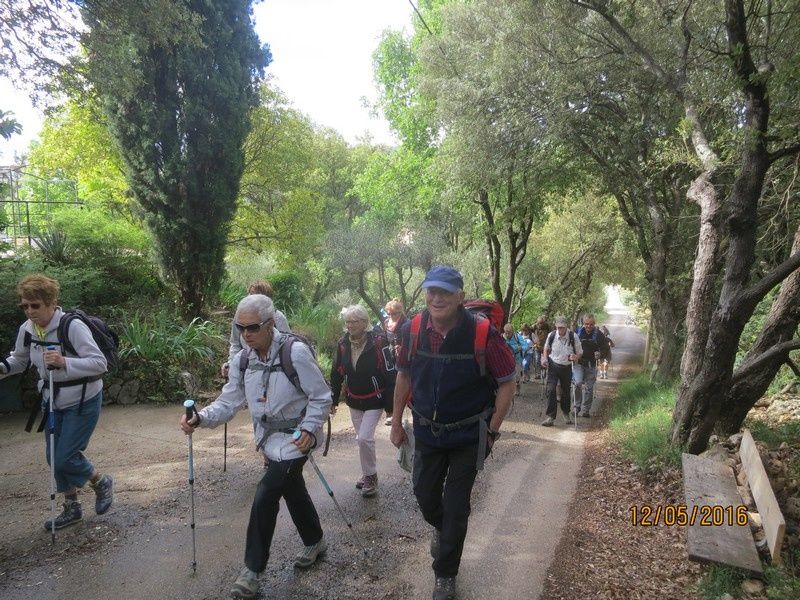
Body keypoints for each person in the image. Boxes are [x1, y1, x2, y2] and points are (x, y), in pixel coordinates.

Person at [180, 294, 331, 600]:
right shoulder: (242, 360)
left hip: (295, 440)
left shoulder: (296, 353)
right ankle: (315, 540)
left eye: (252, 328)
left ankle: (251, 571)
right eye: (240, 328)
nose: (246, 334)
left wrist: (309, 429)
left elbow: (321, 397)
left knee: (266, 494)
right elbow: (229, 401)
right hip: (267, 440)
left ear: (270, 324)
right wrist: (201, 418)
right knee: (292, 489)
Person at [389, 266, 516, 600]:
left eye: (444, 292)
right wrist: (397, 422)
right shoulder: (414, 328)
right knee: (424, 493)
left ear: (460, 297)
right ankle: (443, 531)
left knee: (456, 506)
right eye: (431, 291)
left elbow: (507, 383)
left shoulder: (482, 333)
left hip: (467, 435)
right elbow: (403, 376)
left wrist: (491, 432)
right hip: (428, 433)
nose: (436, 298)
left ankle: (445, 574)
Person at [0, 274, 113, 529]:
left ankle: (101, 481)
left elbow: (99, 363)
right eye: (25, 306)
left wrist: (64, 362)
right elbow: (19, 359)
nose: (30, 311)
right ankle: (71, 507)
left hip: (83, 400)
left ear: (51, 303)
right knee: (54, 458)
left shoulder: (71, 326)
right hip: (51, 401)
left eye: (35, 305)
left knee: (65, 457)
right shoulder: (27, 329)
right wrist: (3, 368)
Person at [330, 305, 396, 497]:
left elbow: (391, 374)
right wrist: (333, 400)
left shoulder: (379, 341)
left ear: (365, 322)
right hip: (353, 399)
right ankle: (369, 474)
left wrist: (391, 406)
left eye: (354, 321)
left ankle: (370, 476)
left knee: (364, 438)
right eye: (347, 322)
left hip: (375, 399)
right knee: (363, 441)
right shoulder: (343, 344)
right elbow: (336, 373)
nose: (350, 325)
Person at [220, 280, 291, 379]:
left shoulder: (278, 318)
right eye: (251, 295)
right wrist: (231, 363)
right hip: (245, 370)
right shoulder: (239, 317)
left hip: (274, 371)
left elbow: (287, 345)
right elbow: (235, 344)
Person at [540, 315, 583, 427]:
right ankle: (550, 417)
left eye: (562, 327)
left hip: (567, 366)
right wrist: (544, 358)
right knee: (550, 389)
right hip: (553, 365)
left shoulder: (573, 336)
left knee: (565, 392)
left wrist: (575, 356)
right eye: (558, 327)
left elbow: (580, 352)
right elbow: (546, 348)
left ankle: (565, 412)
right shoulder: (552, 335)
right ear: (556, 326)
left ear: (566, 326)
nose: (560, 330)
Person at [574, 314, 609, 417]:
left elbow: (605, 348)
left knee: (589, 388)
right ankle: (576, 407)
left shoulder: (599, 335)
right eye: (586, 324)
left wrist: (600, 354)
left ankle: (586, 410)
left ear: (594, 324)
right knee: (577, 383)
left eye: (591, 324)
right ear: (583, 323)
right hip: (579, 363)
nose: (589, 326)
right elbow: (571, 345)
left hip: (591, 364)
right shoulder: (577, 333)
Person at [381, 298, 407, 425]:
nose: (392, 316)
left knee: (402, 381)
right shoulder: (386, 322)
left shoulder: (406, 323)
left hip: (403, 356)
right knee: (390, 383)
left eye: (395, 313)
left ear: (400, 312)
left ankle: (404, 409)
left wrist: (402, 347)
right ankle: (390, 413)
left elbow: (410, 340)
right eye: (390, 313)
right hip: (389, 356)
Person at [502, 323, 527, 396]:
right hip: (506, 360)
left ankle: (517, 386)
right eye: (506, 333)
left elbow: (526, 345)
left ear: (512, 332)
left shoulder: (517, 337)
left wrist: (520, 348)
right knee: (506, 375)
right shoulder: (502, 337)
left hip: (517, 359)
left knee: (517, 376)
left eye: (509, 333)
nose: (507, 335)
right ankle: (507, 390)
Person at [531, 315, 550, 380]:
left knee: (547, 360)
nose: (540, 324)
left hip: (545, 346)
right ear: (537, 322)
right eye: (539, 323)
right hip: (537, 346)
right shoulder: (534, 327)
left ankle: (547, 373)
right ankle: (538, 374)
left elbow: (551, 334)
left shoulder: (547, 326)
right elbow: (529, 333)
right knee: (537, 359)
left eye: (541, 323)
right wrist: (533, 342)